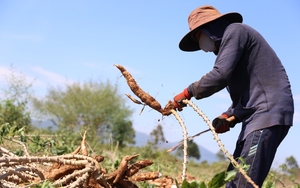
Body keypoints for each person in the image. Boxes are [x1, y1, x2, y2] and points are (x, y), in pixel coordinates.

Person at [173, 5, 294, 187]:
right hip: (257, 116)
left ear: (211, 28)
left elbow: (219, 75)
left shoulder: (235, 31)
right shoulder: (231, 49)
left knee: (244, 182)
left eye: (199, 36)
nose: (201, 43)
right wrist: (229, 117)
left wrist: (188, 92)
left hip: (267, 114)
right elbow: (247, 96)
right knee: (233, 180)